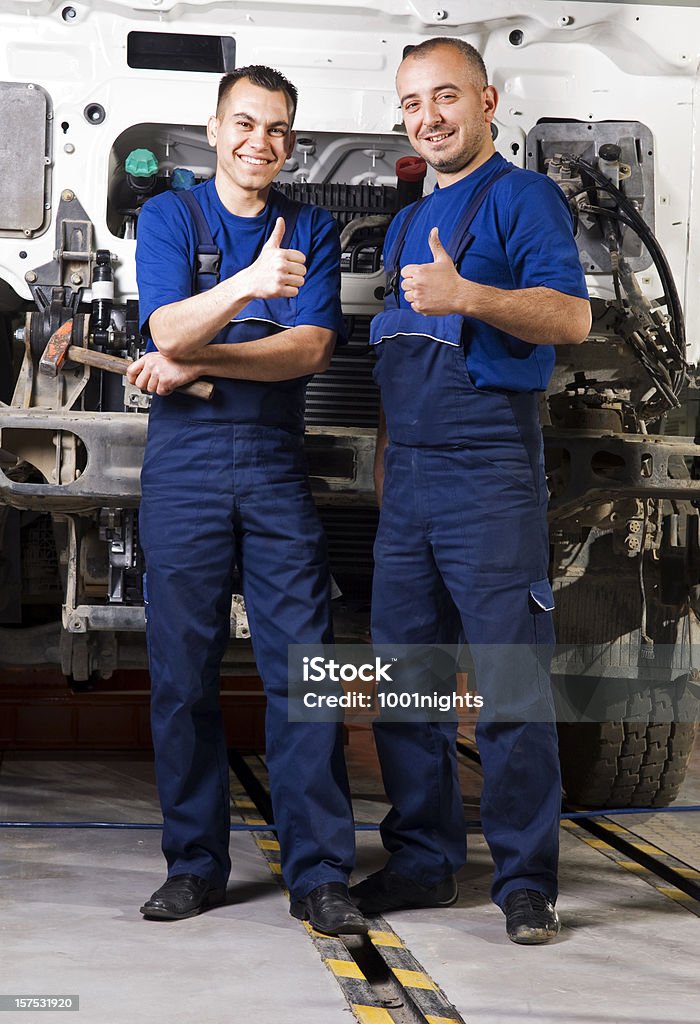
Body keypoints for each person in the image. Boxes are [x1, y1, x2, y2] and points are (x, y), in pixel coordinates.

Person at [349, 38, 591, 944]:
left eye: (445, 98)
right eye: (413, 104)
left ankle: (526, 880)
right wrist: (385, 474)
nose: (429, 118)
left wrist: (470, 294)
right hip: (407, 478)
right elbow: (401, 358)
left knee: (509, 680)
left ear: (487, 102)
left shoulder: (525, 198)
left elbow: (570, 316)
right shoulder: (412, 221)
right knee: (407, 680)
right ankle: (422, 860)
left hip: (490, 470)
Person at [126, 65, 366, 936]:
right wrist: (246, 287)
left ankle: (320, 873)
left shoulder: (313, 227)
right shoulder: (170, 217)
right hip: (183, 472)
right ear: (216, 128)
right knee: (180, 676)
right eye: (245, 123)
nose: (259, 141)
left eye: (276, 129)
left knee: (304, 673)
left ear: (291, 142)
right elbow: (162, 330)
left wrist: (202, 356)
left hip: (272, 465)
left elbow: (304, 351)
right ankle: (194, 865)